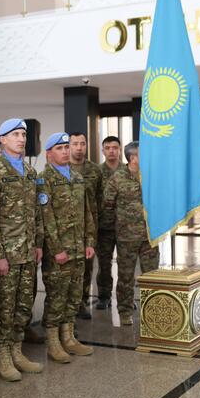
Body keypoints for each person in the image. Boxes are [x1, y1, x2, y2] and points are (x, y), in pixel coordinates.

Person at [0, 118, 44, 381]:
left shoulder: (29, 171)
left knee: (23, 305)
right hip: (6, 254)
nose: (21, 139)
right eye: (15, 134)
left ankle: (17, 351)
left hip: (27, 252)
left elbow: (36, 212)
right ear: (2, 140)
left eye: (23, 134)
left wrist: (38, 243)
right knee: (4, 308)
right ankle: (3, 356)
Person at [37, 132, 95, 362]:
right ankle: (53, 343)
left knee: (74, 295)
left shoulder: (77, 177)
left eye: (65, 148)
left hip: (79, 248)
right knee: (56, 297)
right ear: (49, 153)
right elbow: (46, 217)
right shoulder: (44, 179)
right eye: (59, 148)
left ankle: (69, 338)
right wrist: (56, 249)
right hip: (59, 252)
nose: (64, 152)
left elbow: (86, 212)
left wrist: (89, 241)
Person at [103, 141, 159, 325]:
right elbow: (107, 205)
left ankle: (153, 311)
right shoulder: (117, 178)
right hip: (127, 237)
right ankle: (125, 311)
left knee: (151, 276)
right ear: (133, 157)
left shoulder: (151, 175)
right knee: (126, 277)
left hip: (150, 236)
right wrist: (116, 229)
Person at [68, 132, 102, 320]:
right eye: (75, 144)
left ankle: (82, 302)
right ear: (69, 145)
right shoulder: (62, 168)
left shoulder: (94, 170)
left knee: (87, 268)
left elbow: (99, 197)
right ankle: (67, 305)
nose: (79, 147)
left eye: (82, 143)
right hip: (67, 229)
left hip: (88, 227)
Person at [96, 135, 122, 310]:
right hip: (104, 227)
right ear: (103, 151)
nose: (111, 151)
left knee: (126, 266)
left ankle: (125, 299)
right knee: (104, 265)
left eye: (115, 148)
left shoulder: (128, 171)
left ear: (119, 150)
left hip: (125, 227)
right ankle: (104, 297)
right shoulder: (97, 172)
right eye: (108, 148)